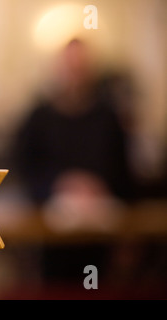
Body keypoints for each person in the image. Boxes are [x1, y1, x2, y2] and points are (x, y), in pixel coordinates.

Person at [11, 38, 135, 283]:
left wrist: (97, 186)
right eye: (71, 67)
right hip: (50, 234)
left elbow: (124, 170)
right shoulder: (39, 117)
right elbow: (24, 167)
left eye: (81, 68)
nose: (75, 74)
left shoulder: (108, 117)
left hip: (100, 228)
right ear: (59, 69)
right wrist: (59, 184)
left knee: (99, 283)